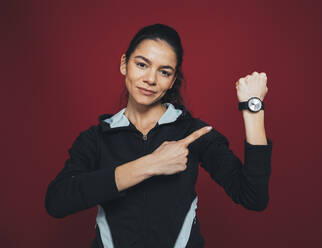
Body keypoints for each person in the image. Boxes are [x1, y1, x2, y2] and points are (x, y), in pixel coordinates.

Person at [44, 23, 273, 248]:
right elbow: (57, 201)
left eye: (164, 72)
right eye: (142, 64)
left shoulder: (192, 133)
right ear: (125, 64)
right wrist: (150, 164)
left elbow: (254, 197)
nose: (151, 79)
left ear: (172, 80)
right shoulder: (96, 138)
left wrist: (252, 108)